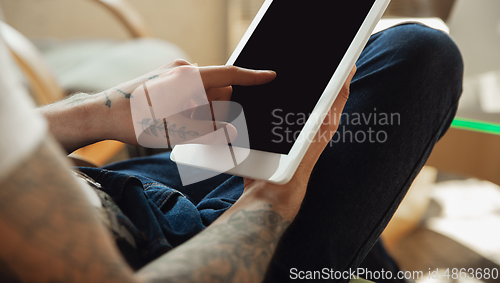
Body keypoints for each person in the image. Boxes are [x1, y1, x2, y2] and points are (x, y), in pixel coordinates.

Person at [0, 22, 463, 283]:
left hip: (107, 186)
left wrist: (96, 114)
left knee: (327, 123)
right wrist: (269, 201)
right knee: (420, 54)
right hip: (183, 252)